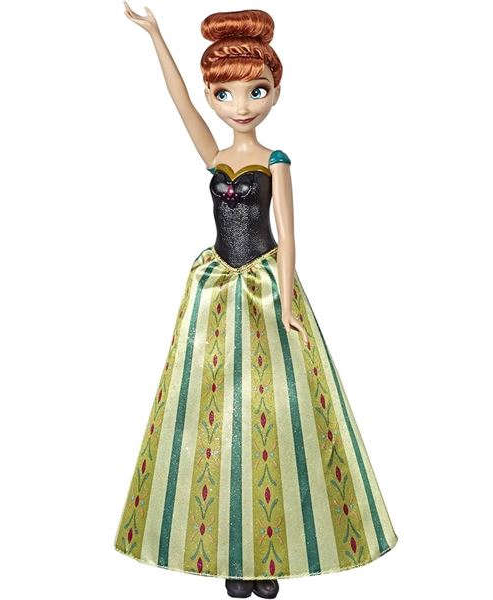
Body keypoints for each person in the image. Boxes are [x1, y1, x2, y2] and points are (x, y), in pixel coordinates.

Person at [114, 6, 398, 598]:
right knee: (210, 414)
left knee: (276, 414)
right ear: (212, 96)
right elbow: (180, 106)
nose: (240, 106)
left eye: (256, 91)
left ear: (275, 91)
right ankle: (226, 551)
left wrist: (287, 301)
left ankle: (271, 555)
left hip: (266, 287)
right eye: (225, 94)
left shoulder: (275, 161)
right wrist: (155, 36)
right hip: (216, 288)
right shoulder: (215, 156)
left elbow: (289, 235)